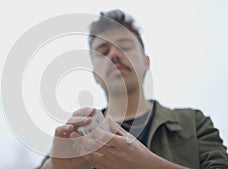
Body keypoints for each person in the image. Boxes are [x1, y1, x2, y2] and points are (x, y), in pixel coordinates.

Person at [37, 9, 228, 169]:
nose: (114, 54)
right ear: (95, 73)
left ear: (146, 62)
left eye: (125, 46)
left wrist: (148, 165)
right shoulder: (75, 139)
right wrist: (55, 166)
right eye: (103, 51)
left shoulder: (194, 123)